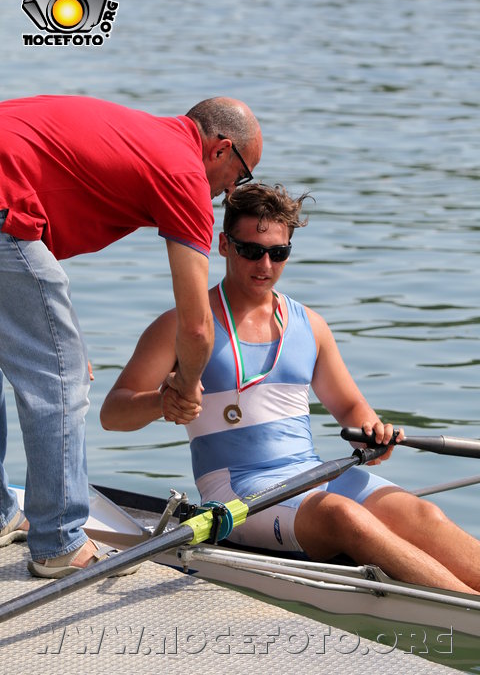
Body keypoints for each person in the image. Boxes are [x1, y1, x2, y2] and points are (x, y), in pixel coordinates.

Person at [101, 183, 480, 594]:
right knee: (344, 517)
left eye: (278, 253)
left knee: (425, 516)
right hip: (240, 493)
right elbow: (113, 414)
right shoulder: (182, 326)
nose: (265, 264)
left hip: (313, 474)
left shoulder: (309, 325)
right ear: (224, 245)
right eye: (252, 250)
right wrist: (162, 403)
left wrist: (376, 431)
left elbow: (351, 406)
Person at [0, 94, 262, 577]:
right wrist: (184, 387)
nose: (231, 192)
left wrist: (63, 341)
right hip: (3, 206)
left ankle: (0, 512)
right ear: (221, 149)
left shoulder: (142, 134)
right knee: (59, 382)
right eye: (241, 175)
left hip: (7, 199)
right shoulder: (184, 173)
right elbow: (197, 324)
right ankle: (59, 543)